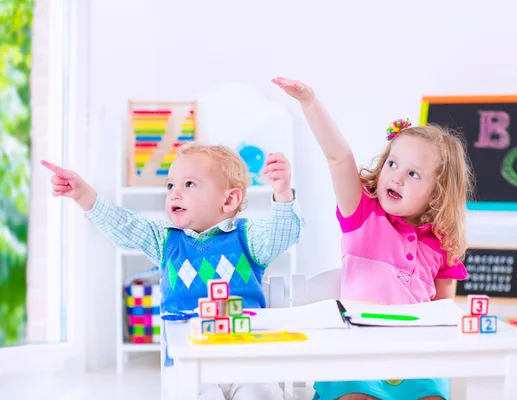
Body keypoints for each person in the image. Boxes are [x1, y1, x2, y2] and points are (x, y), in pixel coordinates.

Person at [42, 142, 305, 400]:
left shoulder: (247, 237)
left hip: (247, 361)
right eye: (170, 185)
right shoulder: (165, 240)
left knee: (262, 393)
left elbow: (283, 235)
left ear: (229, 199)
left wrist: (282, 194)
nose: (174, 193)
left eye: (189, 184)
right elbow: (124, 225)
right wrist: (84, 195)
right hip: (189, 364)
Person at [273, 77, 473, 400]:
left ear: (437, 196)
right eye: (392, 163)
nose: (395, 175)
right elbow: (338, 157)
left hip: (416, 364)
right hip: (355, 358)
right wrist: (309, 103)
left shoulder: (441, 244)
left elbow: (443, 315)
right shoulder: (363, 215)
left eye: (413, 174)